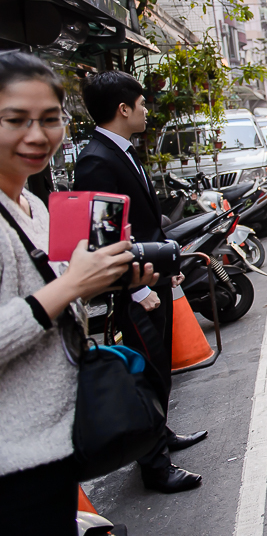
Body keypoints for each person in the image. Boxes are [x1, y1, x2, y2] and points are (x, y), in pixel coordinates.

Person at [0, 52, 157, 534]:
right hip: (13, 467)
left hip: (54, 447)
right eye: (15, 120)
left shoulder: (34, 207)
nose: (37, 135)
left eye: (50, 119)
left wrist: (113, 280)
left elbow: (60, 303)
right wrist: (72, 284)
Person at [74, 70, 206, 493]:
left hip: (154, 274)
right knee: (147, 371)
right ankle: (155, 467)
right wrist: (141, 289)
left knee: (160, 368)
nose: (147, 111)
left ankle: (159, 434)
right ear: (123, 109)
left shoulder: (122, 150)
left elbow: (143, 222)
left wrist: (168, 264)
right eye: (143, 104)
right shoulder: (97, 160)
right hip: (137, 287)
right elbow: (104, 237)